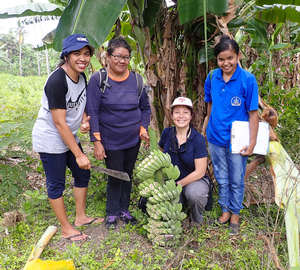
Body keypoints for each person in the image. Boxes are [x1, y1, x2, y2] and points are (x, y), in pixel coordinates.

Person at [32, 34, 104, 242]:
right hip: (51, 138)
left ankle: (80, 217)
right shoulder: (57, 80)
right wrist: (79, 153)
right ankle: (66, 228)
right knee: (56, 184)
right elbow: (59, 123)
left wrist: (83, 120)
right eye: (77, 54)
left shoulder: (81, 76)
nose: (83, 58)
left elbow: (79, 101)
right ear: (66, 56)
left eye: (86, 54)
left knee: (82, 175)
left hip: (68, 134)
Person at [86, 37, 151, 230]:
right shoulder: (98, 80)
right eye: (117, 56)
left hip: (132, 139)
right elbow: (93, 112)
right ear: (107, 57)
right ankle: (112, 212)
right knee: (115, 175)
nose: (122, 61)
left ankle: (124, 210)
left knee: (127, 174)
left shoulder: (137, 80)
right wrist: (96, 140)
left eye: (126, 57)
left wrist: (143, 127)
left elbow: (145, 108)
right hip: (110, 138)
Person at [204, 35, 259, 234]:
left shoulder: (248, 79)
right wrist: (209, 125)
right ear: (216, 60)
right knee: (221, 176)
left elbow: (253, 113)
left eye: (230, 58)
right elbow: (210, 103)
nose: (226, 63)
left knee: (236, 178)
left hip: (238, 139)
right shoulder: (212, 77)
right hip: (215, 137)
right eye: (221, 59)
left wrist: (252, 142)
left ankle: (235, 214)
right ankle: (225, 212)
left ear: (238, 56)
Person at [159, 97, 209, 226]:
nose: (181, 116)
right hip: (171, 182)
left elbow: (200, 172)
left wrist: (177, 184)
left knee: (195, 194)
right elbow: (159, 157)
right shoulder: (166, 133)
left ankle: (196, 221)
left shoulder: (198, 139)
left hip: (194, 180)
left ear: (191, 116)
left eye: (185, 112)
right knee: (170, 205)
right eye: (177, 112)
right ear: (171, 116)